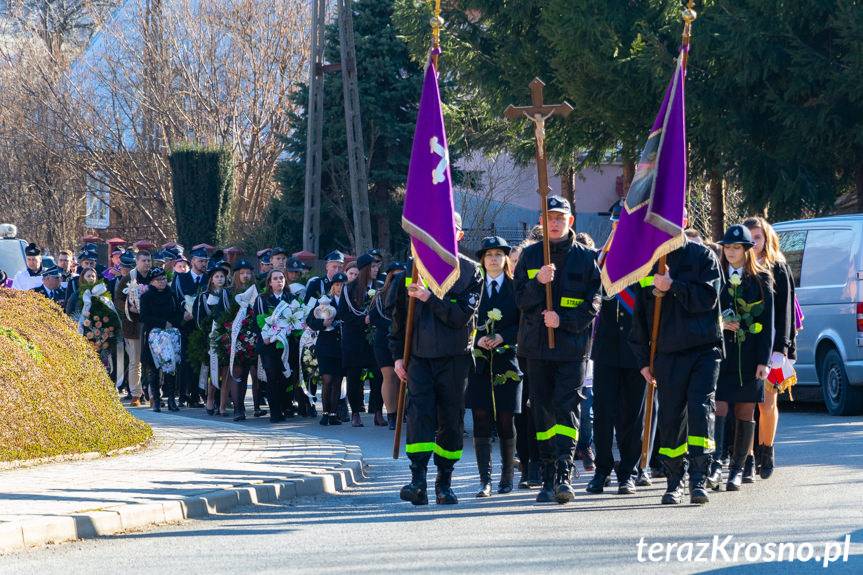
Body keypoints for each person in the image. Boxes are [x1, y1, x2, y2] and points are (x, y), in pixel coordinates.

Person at [390, 213, 483, 506]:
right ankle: (417, 480)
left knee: (450, 421)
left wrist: (431, 298)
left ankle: (444, 482)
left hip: (454, 358)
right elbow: (397, 317)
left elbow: (460, 318)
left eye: (449, 230)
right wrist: (396, 358)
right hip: (418, 358)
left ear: (459, 235)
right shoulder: (412, 266)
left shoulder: (471, 272)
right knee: (419, 418)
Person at [630, 214, 723, 506]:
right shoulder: (649, 261)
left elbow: (708, 298)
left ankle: (699, 478)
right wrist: (643, 359)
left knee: (700, 408)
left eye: (676, 216)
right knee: (671, 417)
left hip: (703, 350)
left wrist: (674, 286)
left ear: (686, 219)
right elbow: (641, 314)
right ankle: (673, 481)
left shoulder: (702, 255)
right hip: (667, 353)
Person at [514, 196, 601, 504]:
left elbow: (594, 303)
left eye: (560, 218)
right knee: (542, 410)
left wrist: (562, 320)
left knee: (567, 408)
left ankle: (565, 473)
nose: (554, 222)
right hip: (536, 348)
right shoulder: (529, 256)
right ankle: (547, 474)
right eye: (549, 217)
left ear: (570, 221)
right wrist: (538, 282)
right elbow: (520, 301)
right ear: (542, 220)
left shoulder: (587, 257)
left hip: (572, 348)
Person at [708, 224, 774, 492]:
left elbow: (768, 324)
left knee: (745, 411)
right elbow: (705, 310)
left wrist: (764, 361)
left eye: (737, 247)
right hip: (721, 356)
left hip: (749, 357)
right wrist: (720, 323)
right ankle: (715, 465)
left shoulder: (761, 280)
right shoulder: (715, 277)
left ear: (747, 250)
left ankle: (737, 469)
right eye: (727, 247)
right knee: (719, 408)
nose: (731, 252)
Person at [587, 214, 648, 495]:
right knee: (603, 413)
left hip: (636, 349)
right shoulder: (604, 258)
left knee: (631, 415)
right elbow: (593, 278)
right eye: (617, 225)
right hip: (607, 348)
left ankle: (629, 472)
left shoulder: (647, 260)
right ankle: (602, 470)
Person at [467, 236, 522, 497]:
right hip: (479, 362)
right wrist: (477, 337)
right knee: (480, 417)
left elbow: (525, 320)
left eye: (499, 254)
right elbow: (463, 319)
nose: (493, 259)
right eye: (488, 254)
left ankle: (506, 478)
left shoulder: (515, 287)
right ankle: (484, 480)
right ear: (482, 259)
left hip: (507, 360)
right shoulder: (473, 287)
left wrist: (503, 337)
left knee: (505, 417)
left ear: (506, 259)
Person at [744, 216, 794, 480]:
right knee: (747, 404)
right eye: (749, 238)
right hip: (745, 346)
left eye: (758, 238)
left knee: (766, 403)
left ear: (766, 238)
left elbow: (785, 310)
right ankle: (747, 457)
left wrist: (782, 348)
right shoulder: (739, 267)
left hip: (773, 346)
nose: (754, 243)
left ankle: (767, 450)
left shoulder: (778, 266)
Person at [339, 253, 385, 427]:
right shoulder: (348, 288)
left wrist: (373, 319)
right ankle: (356, 412)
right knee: (354, 376)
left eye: (377, 266)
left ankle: (377, 411)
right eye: (372, 267)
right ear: (364, 268)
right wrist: (362, 320)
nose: (376, 270)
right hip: (354, 338)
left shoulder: (380, 286)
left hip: (374, 337)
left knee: (378, 374)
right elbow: (344, 313)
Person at [511, 240, 541, 489]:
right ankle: (524, 462)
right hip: (517, 353)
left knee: (536, 412)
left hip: (538, 351)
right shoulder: (512, 286)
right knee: (521, 413)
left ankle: (537, 464)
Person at [193, 263, 235, 416]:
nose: (220, 279)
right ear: (211, 279)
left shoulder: (229, 295)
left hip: (226, 337)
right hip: (210, 338)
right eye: (216, 276)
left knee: (226, 372)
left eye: (222, 276)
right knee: (213, 371)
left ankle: (222, 405)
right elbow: (198, 319)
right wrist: (208, 334)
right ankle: (210, 399)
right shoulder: (203, 296)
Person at [139, 268, 185, 412]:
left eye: (164, 279)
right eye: (158, 280)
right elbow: (144, 316)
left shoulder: (171, 294)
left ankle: (171, 399)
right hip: (153, 335)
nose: (162, 282)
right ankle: (156, 400)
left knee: (170, 366)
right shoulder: (146, 296)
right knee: (153, 368)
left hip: (171, 335)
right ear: (152, 282)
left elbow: (178, 313)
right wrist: (162, 323)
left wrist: (173, 323)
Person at [306, 272, 349, 425]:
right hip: (325, 345)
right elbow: (310, 321)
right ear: (332, 287)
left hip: (341, 347)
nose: (340, 287)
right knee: (327, 379)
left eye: (343, 284)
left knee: (338, 380)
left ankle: (333, 413)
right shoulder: (324, 301)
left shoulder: (349, 302)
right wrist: (322, 324)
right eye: (337, 284)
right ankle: (325, 413)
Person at [255, 268, 295, 423]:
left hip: (286, 345)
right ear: (270, 283)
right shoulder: (262, 298)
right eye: (276, 279)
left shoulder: (291, 298)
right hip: (269, 345)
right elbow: (259, 320)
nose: (279, 281)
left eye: (282, 278)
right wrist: (267, 336)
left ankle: (286, 406)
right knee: (272, 377)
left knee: (285, 377)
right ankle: (275, 412)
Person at [369, 261, 406, 430]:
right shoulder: (380, 294)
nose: (398, 277)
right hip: (384, 340)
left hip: (403, 340)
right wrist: (396, 326)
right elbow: (375, 318)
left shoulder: (407, 292)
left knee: (402, 378)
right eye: (394, 274)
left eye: (401, 274)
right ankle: (391, 414)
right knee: (389, 376)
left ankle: (402, 411)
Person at [172, 246, 208, 408]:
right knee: (185, 360)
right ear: (192, 261)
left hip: (203, 326)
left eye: (205, 261)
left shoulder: (208, 278)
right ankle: (183, 394)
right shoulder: (181, 278)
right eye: (200, 261)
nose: (203, 264)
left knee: (200, 360)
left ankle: (197, 394)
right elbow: (174, 299)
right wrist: (182, 315)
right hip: (185, 325)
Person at [115, 251, 150, 406]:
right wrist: (129, 308)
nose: (147, 263)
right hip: (133, 324)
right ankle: (136, 394)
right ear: (137, 262)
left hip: (150, 324)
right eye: (144, 260)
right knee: (135, 360)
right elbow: (117, 299)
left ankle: (152, 392)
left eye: (149, 260)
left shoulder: (154, 276)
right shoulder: (128, 278)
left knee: (151, 360)